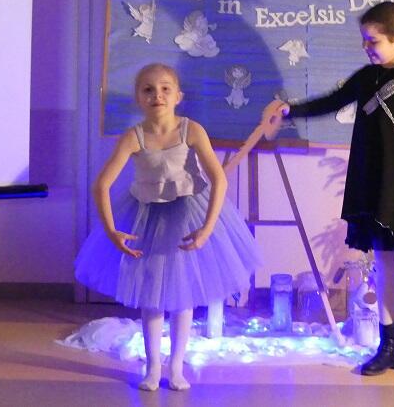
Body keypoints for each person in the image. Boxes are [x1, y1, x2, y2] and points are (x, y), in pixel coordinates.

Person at [265, 1, 394, 381]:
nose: (366, 47)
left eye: (373, 40)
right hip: (375, 186)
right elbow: (331, 101)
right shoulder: (368, 78)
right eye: (364, 40)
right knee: (384, 266)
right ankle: (388, 347)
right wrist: (290, 111)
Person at [75, 63, 262, 391]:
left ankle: (176, 367)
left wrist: (207, 228)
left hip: (188, 216)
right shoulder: (133, 137)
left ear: (178, 96)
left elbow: (218, 179)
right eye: (148, 89)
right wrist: (111, 230)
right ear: (138, 98)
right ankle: (153, 367)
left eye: (165, 89)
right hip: (148, 218)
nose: (157, 95)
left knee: (182, 294)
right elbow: (101, 185)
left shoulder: (191, 130)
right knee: (152, 298)